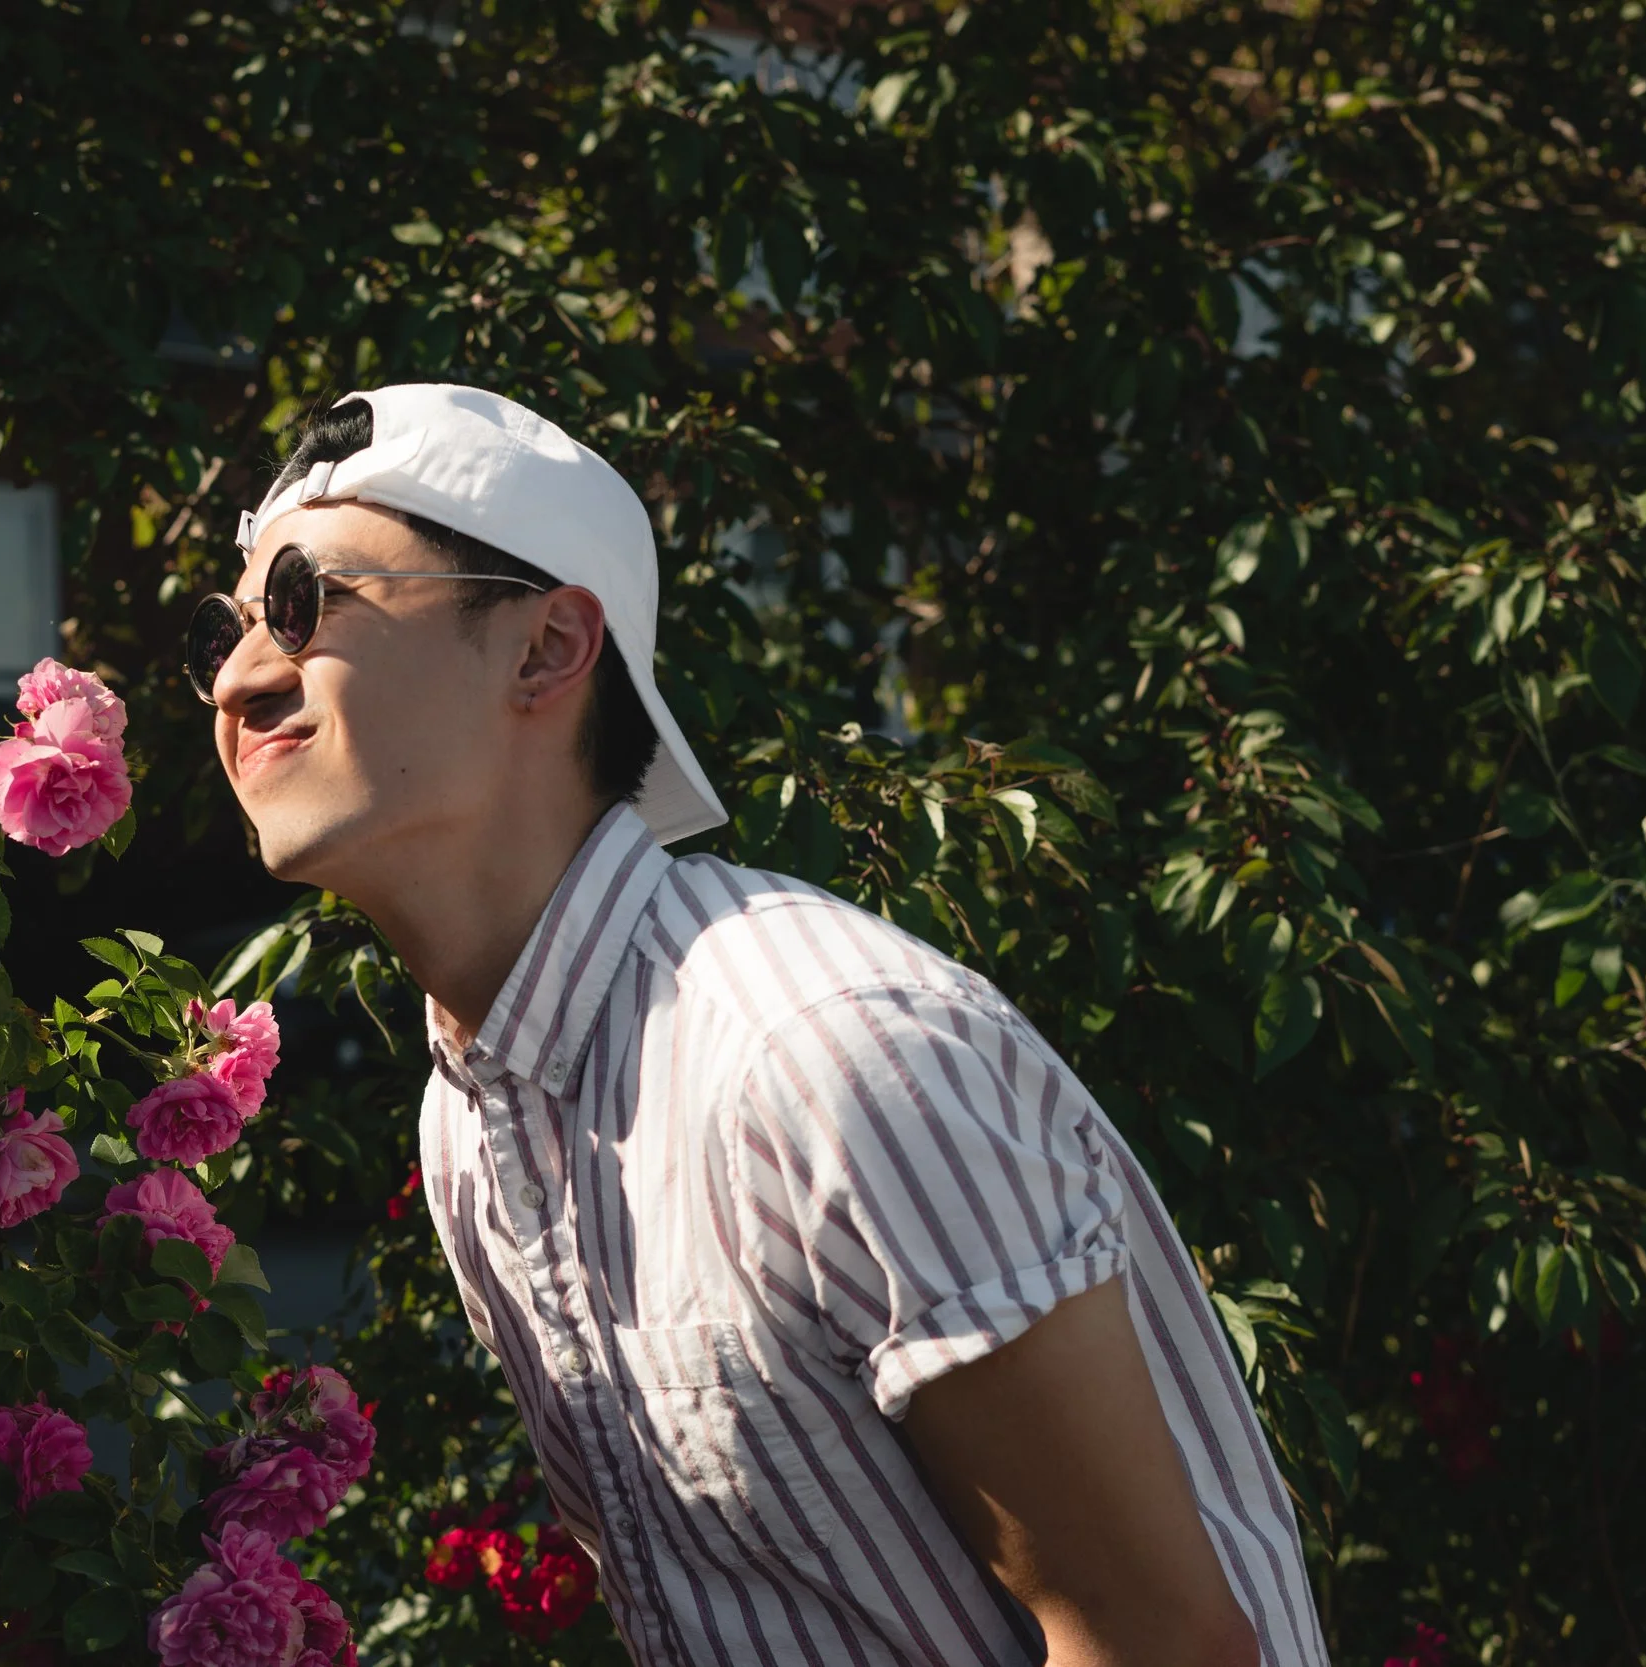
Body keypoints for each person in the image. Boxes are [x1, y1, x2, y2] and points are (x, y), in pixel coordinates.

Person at [189, 384, 1326, 1667]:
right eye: (222, 631)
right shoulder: (473, 1107)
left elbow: (1160, 1641)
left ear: (547, 648)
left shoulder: (827, 1057)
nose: (238, 677)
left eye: (305, 603)